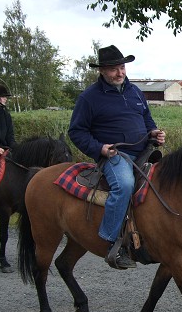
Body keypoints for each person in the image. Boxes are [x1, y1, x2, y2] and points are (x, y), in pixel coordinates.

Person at [68, 45, 166, 269]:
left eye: (122, 67)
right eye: (114, 69)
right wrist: (100, 149)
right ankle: (112, 242)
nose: (120, 73)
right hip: (116, 156)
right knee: (124, 184)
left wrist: (154, 132)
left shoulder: (135, 92)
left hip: (144, 152)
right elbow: (76, 132)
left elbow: (147, 119)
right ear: (102, 71)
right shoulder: (89, 98)